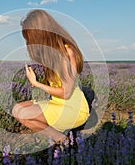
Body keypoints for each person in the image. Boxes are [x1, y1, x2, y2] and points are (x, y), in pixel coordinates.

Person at [12, 9, 90, 143]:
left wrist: (36, 84)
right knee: (18, 109)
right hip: (58, 103)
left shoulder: (67, 52)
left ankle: (62, 141)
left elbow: (66, 93)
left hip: (73, 109)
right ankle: (61, 138)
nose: (29, 42)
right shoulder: (53, 54)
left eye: (30, 37)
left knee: (20, 112)